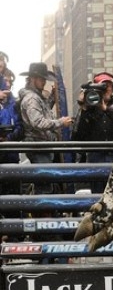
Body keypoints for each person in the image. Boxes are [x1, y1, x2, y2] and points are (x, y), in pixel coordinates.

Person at [18, 62, 73, 193]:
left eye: (44, 79)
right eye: (41, 79)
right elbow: (38, 122)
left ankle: (44, 211)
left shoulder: (36, 97)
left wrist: (52, 100)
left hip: (42, 146)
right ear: (32, 78)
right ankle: (42, 212)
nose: (44, 82)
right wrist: (60, 122)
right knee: (44, 185)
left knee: (45, 183)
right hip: (38, 146)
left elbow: (42, 112)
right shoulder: (32, 98)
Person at [71, 72, 113, 167]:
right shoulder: (90, 108)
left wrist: (106, 109)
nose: (106, 89)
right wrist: (84, 107)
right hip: (95, 155)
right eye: (102, 87)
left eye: (108, 86)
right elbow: (78, 135)